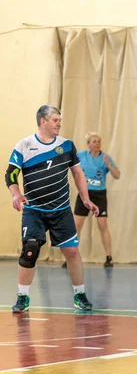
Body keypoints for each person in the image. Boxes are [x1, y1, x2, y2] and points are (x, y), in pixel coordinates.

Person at [5, 105, 98, 312]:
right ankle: (23, 297)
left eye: (59, 120)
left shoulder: (66, 146)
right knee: (30, 251)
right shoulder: (25, 145)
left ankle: (79, 294)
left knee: (72, 251)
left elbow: (78, 173)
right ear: (43, 121)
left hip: (61, 210)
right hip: (34, 210)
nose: (59, 123)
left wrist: (85, 198)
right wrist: (16, 195)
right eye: (55, 120)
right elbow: (10, 174)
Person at [62, 132, 120, 268]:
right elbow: (69, 166)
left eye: (99, 141)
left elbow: (117, 175)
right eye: (94, 141)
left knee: (102, 225)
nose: (97, 143)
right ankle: (71, 256)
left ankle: (108, 257)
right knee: (76, 226)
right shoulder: (81, 156)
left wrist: (109, 165)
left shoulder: (105, 158)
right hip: (84, 194)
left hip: (99, 195)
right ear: (89, 144)